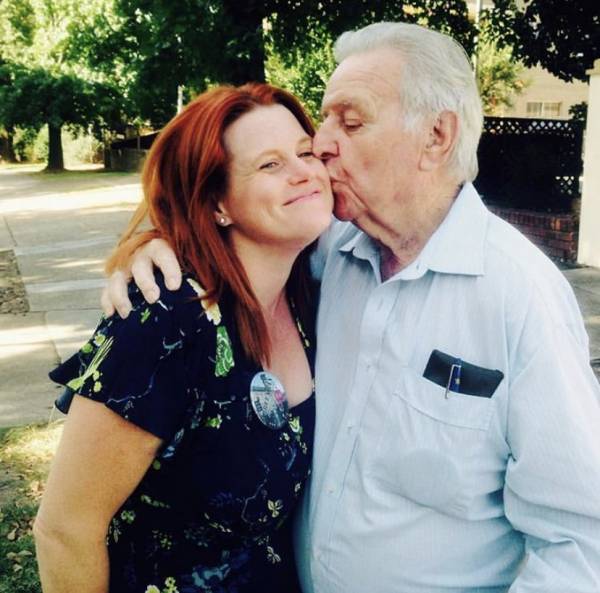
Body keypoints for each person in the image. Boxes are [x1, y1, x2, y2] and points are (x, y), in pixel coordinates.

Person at [102, 22, 600, 593]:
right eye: (325, 118)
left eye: (351, 121)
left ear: (436, 136)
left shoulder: (521, 296)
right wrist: (157, 246)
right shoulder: (326, 251)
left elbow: (581, 539)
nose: (321, 142)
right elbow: (226, 210)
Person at [34, 82, 334, 593]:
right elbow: (65, 530)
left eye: (305, 152)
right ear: (218, 204)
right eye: (270, 164)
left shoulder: (311, 291)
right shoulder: (166, 321)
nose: (304, 171)